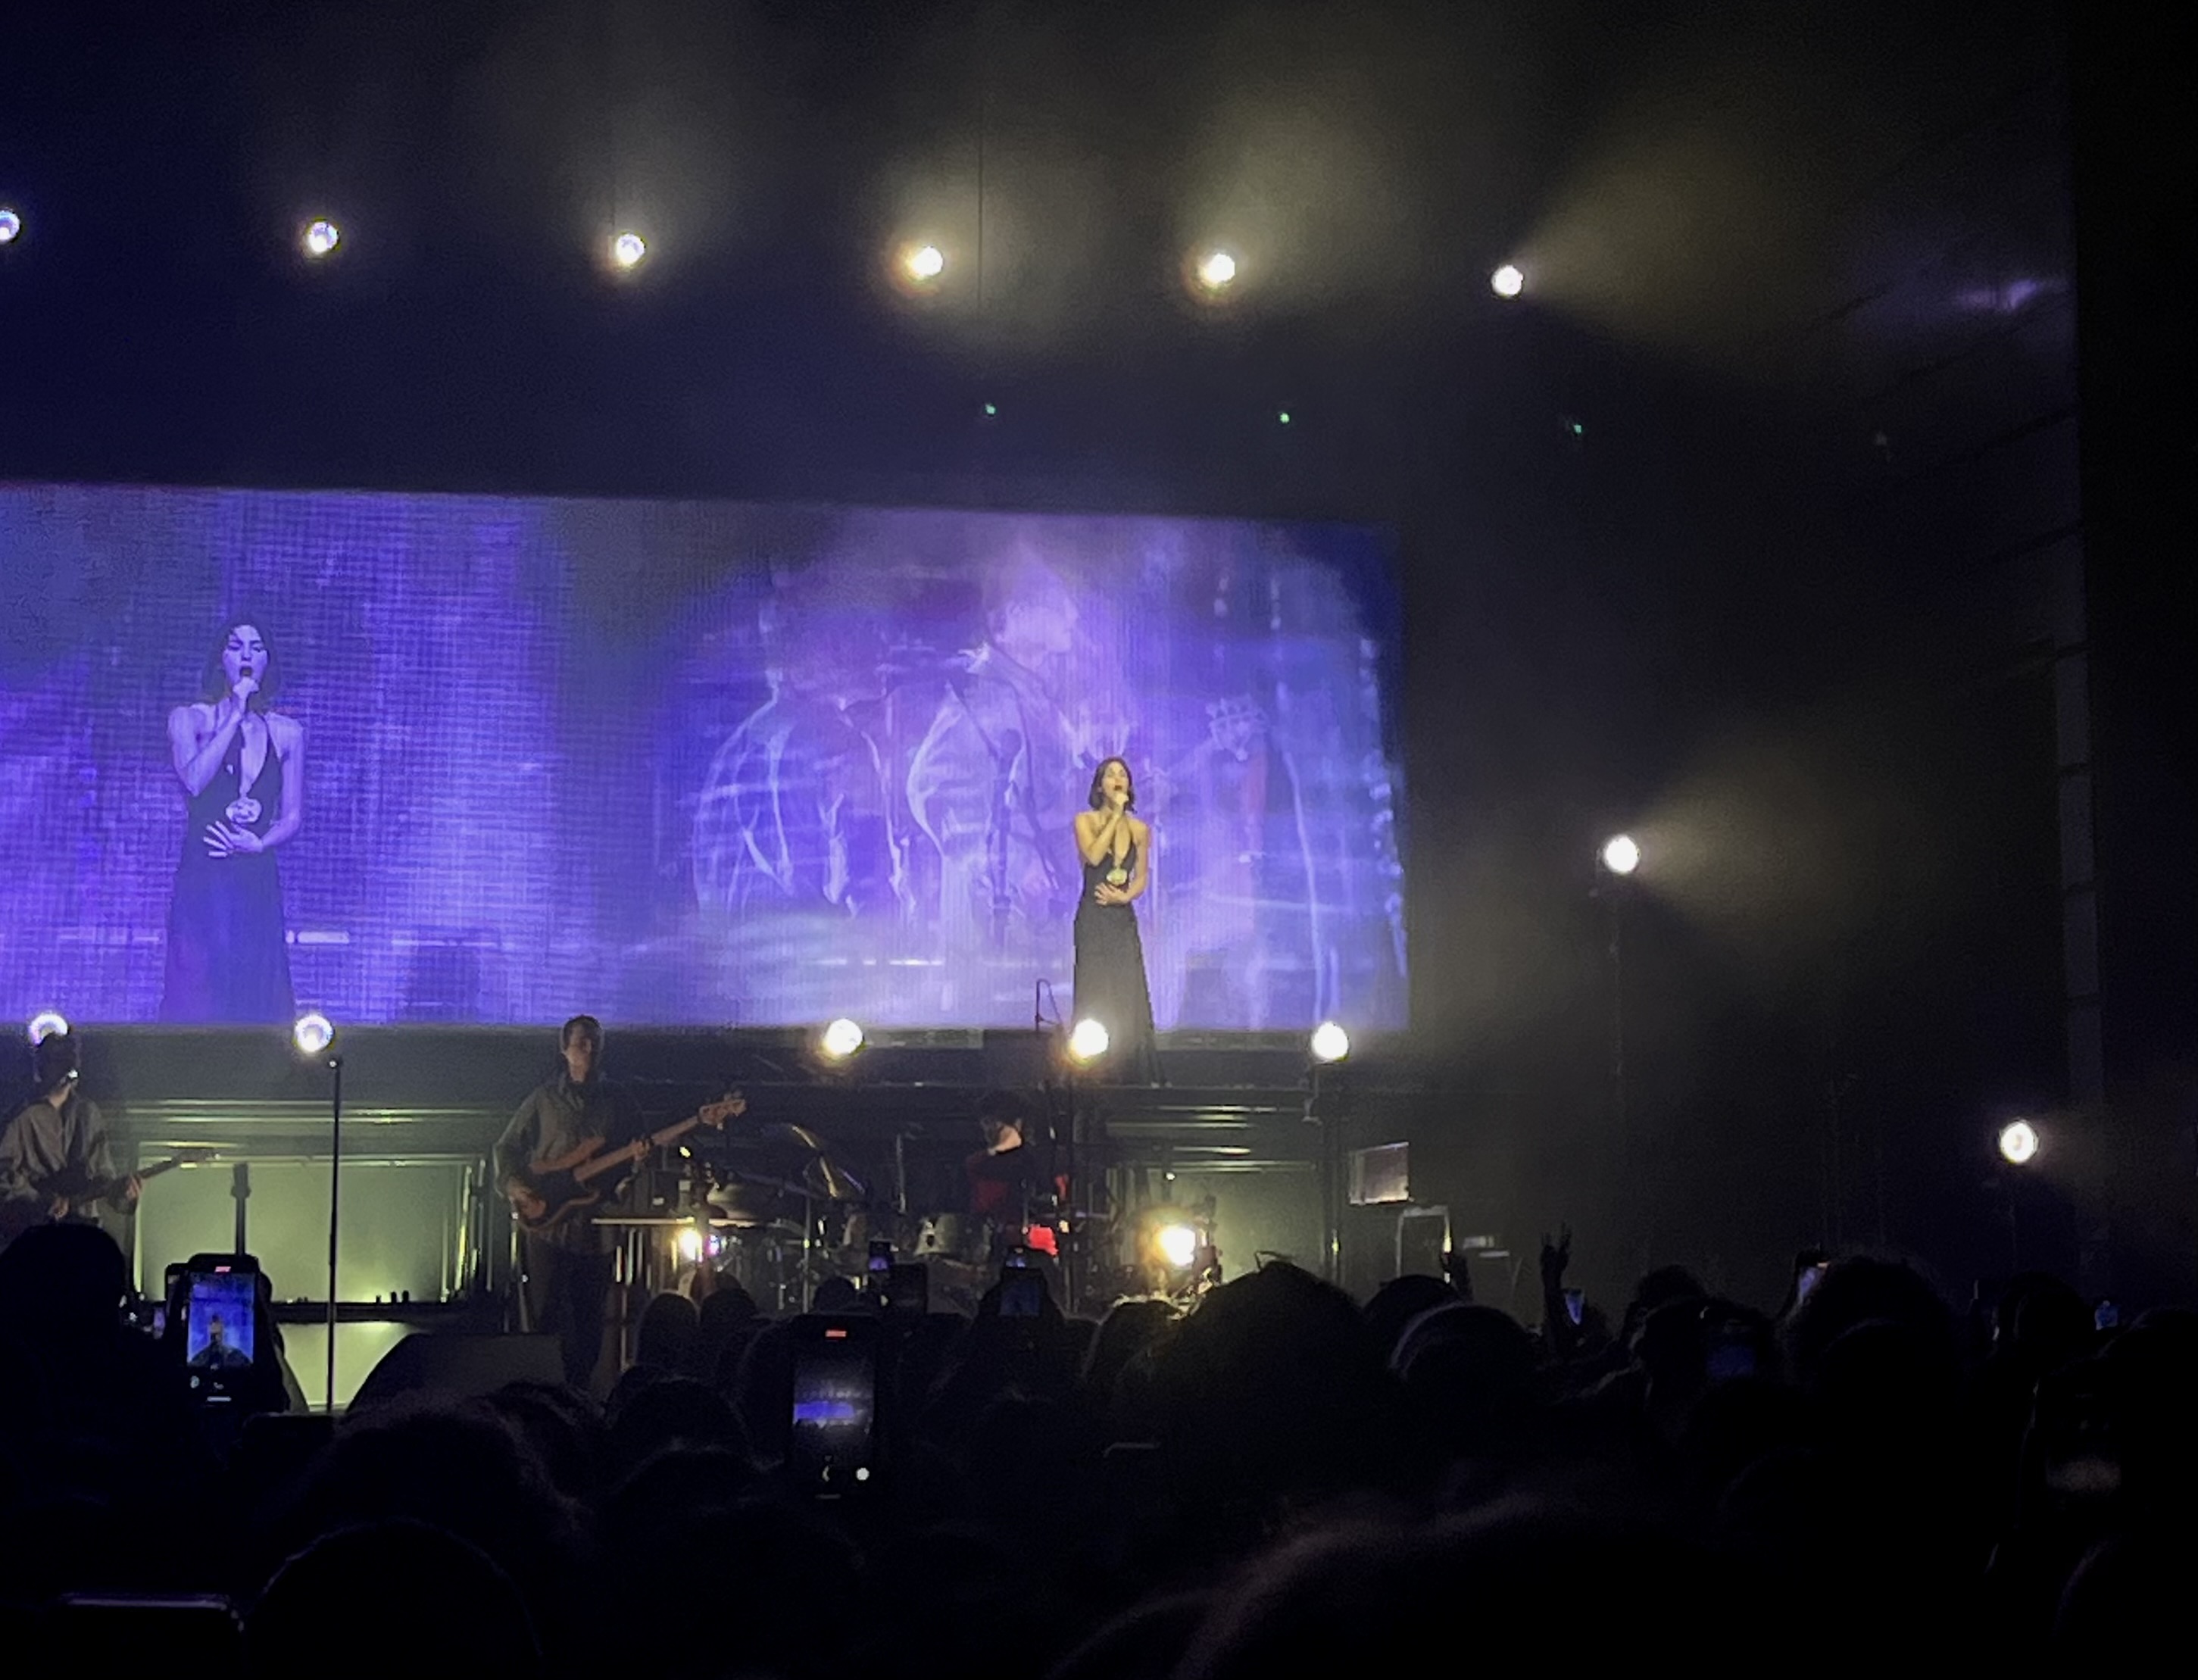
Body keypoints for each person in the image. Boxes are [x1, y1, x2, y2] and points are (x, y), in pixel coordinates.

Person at [161, 618, 302, 1023]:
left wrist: (261, 843)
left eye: (256, 647)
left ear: (267, 662)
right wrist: (234, 713)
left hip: (254, 879)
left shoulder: (287, 732)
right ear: (220, 658)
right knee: (199, 983)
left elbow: (292, 814)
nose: (245, 655)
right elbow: (194, 780)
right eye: (236, 646)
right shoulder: (189, 720)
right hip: (204, 879)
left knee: (256, 986)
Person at [495, 1016, 643, 1392]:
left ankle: (580, 1396)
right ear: (565, 1050)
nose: (588, 1049)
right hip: (546, 1225)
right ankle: (538, 1396)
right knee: (544, 1315)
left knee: (589, 1318)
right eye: (581, 1043)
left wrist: (632, 1172)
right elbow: (507, 1147)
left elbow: (635, 1157)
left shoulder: (620, 1101)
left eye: (594, 1042)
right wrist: (517, 1187)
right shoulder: (544, 1099)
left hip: (596, 1225)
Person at [0, 1032, 141, 1246]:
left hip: (82, 1233)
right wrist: (41, 1200)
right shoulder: (20, 1117)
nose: (67, 1065)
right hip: (33, 1237)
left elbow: (103, 1177)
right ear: (42, 1065)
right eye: (58, 1059)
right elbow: (3, 1174)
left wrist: (122, 1193)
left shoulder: (88, 1113)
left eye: (70, 1058)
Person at [1072, 757, 1159, 1082]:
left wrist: (1126, 896)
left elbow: (1141, 876)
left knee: (1127, 991)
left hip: (1122, 917)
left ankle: (1131, 1070)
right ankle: (1092, 1068)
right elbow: (1093, 856)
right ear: (1099, 786)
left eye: (1123, 774)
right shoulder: (1084, 820)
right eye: (1110, 775)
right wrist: (1115, 815)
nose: (1117, 779)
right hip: (1093, 917)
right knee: (1095, 989)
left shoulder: (1140, 829)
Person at [187, 1313, 253, 1370]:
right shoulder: (200, 1358)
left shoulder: (237, 1356)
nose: (216, 1338)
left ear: (223, 1329)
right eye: (214, 1335)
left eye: (218, 1334)